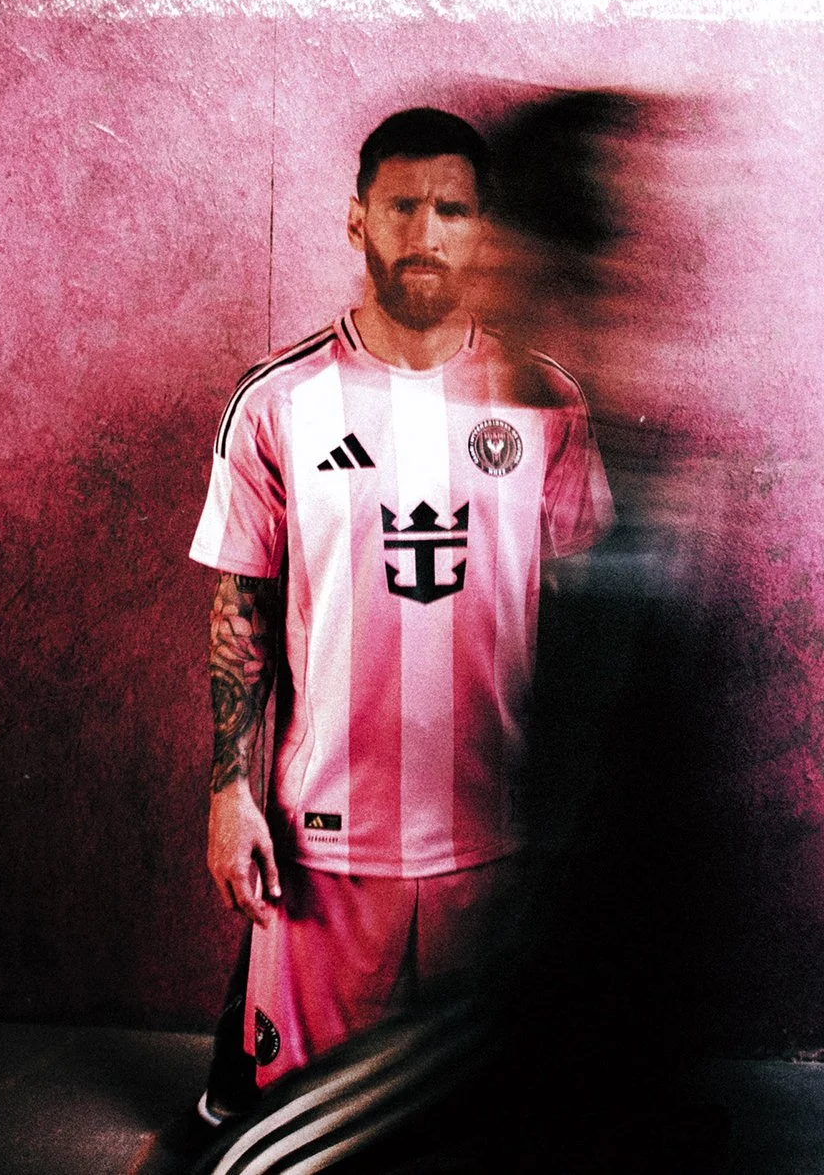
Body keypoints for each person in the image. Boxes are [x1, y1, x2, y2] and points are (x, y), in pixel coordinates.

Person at [187, 107, 614, 1119]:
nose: (426, 234)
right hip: (325, 850)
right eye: (402, 207)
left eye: (452, 211)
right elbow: (242, 606)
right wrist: (229, 791)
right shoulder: (277, 402)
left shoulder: (548, 401)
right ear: (357, 220)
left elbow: (588, 627)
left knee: (485, 1134)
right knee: (302, 1134)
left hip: (494, 846)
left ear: (485, 231)